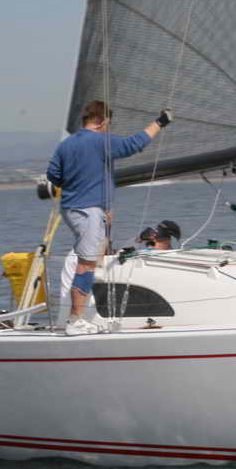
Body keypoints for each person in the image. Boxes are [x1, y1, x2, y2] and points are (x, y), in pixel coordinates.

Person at [46, 100, 173, 335]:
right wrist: (160, 122)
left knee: (89, 260)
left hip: (73, 209)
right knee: (86, 264)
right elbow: (133, 144)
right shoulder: (99, 141)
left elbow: (53, 174)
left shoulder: (66, 145)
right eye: (108, 125)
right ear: (101, 121)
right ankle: (75, 321)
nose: (108, 129)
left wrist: (78, 183)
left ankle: (78, 319)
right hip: (89, 211)